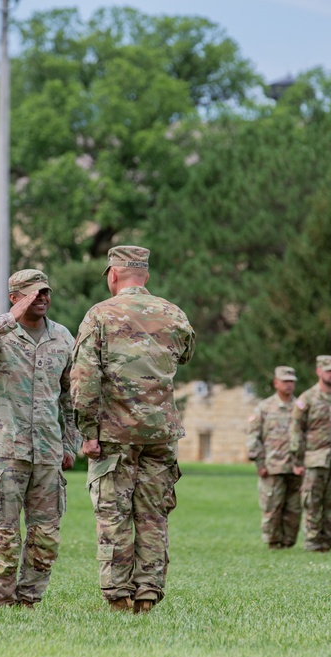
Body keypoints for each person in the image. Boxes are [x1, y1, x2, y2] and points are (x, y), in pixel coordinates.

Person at [72, 247, 194, 613]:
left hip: (115, 432)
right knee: (153, 514)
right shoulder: (173, 313)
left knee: (114, 513)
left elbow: (84, 379)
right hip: (160, 434)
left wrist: (87, 431)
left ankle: (119, 595)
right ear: (146, 276)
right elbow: (184, 355)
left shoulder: (99, 315)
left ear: (112, 274)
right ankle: (148, 593)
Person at [0, 269, 80, 607]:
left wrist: (70, 443)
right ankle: (1, 599)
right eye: (33, 293)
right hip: (5, 451)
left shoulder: (62, 337)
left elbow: (71, 396)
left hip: (47, 453)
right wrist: (7, 320)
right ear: (15, 297)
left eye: (46, 292)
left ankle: (29, 600)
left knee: (46, 535)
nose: (42, 298)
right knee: (4, 533)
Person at [291, 356, 331, 552]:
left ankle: (327, 542)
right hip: (315, 459)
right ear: (319, 371)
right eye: (328, 370)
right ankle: (312, 543)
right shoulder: (307, 398)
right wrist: (297, 459)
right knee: (312, 502)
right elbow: (297, 430)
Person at [246, 366, 301, 549]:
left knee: (294, 509)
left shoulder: (300, 406)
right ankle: (273, 542)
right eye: (285, 381)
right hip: (272, 467)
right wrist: (259, 463)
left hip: (296, 467)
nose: (289, 385)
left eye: (292, 381)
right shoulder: (265, 407)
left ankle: (288, 543)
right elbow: (254, 436)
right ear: (276, 383)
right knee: (272, 508)